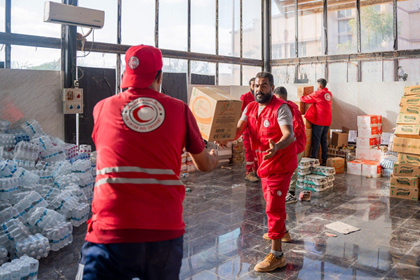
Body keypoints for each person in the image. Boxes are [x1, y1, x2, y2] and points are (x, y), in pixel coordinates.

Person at [76, 45, 219, 280]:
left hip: (110, 232)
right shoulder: (180, 110)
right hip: (162, 232)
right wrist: (213, 157)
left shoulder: (101, 108)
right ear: (160, 76)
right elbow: (203, 164)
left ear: (126, 75)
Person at [218, 72, 297, 272]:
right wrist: (226, 138)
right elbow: (238, 130)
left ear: (271, 87)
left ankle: (277, 256)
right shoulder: (251, 107)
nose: (259, 89)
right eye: (256, 86)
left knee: (272, 208)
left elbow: (289, 135)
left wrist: (277, 147)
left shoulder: (281, 108)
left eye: (263, 86)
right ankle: (283, 232)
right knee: (272, 201)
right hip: (264, 164)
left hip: (279, 162)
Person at [274, 87, 306, 204]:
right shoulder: (285, 107)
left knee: (291, 170)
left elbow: (295, 130)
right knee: (288, 169)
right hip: (292, 145)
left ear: (280, 97)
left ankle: (291, 194)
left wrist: (285, 140)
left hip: (296, 145)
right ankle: (286, 192)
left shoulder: (290, 109)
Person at [300, 78, 332, 165]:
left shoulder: (318, 93)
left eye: (317, 84)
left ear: (320, 85)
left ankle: (313, 158)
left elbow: (307, 99)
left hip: (320, 120)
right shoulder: (329, 94)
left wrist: (301, 97)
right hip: (327, 120)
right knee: (323, 140)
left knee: (316, 140)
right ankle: (324, 160)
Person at [240, 77, 259, 182]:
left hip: (258, 130)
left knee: (257, 152)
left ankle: (256, 171)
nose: (255, 87)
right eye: (253, 85)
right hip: (247, 131)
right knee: (249, 152)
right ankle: (249, 172)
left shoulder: (259, 97)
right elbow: (241, 114)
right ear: (250, 86)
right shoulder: (245, 97)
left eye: (257, 85)